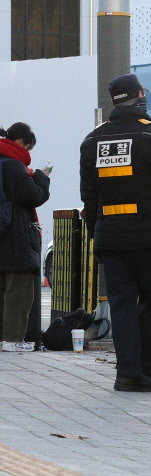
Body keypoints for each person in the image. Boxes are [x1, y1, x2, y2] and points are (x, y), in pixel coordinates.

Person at [80, 74, 151, 392]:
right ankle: (147, 369)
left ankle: (128, 372)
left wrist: (96, 234)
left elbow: (89, 198)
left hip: (112, 238)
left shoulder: (92, 141)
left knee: (122, 305)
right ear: (140, 96)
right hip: (150, 237)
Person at [0, 123, 50, 352]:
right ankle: (12, 340)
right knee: (18, 291)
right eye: (28, 147)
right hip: (15, 235)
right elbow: (33, 196)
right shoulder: (14, 166)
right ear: (20, 142)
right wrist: (42, 178)